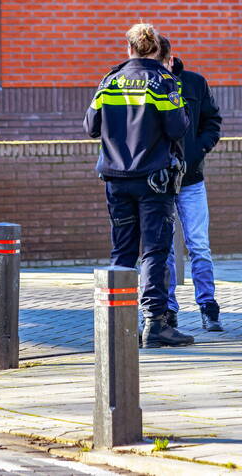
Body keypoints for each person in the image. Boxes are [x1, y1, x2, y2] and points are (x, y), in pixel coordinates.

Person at [84, 23, 195, 348]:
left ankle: (117, 323)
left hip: (116, 180)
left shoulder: (110, 80)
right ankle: (155, 324)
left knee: (123, 250)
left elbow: (91, 126)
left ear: (129, 48)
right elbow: (178, 129)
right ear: (157, 49)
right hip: (154, 180)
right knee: (155, 252)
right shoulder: (164, 83)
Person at [157, 35, 224, 332]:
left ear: (171, 60)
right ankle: (169, 310)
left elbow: (213, 122)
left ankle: (208, 307)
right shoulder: (149, 85)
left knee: (199, 245)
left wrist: (198, 150)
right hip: (159, 181)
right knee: (166, 248)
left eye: (161, 62)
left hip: (192, 179)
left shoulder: (195, 83)